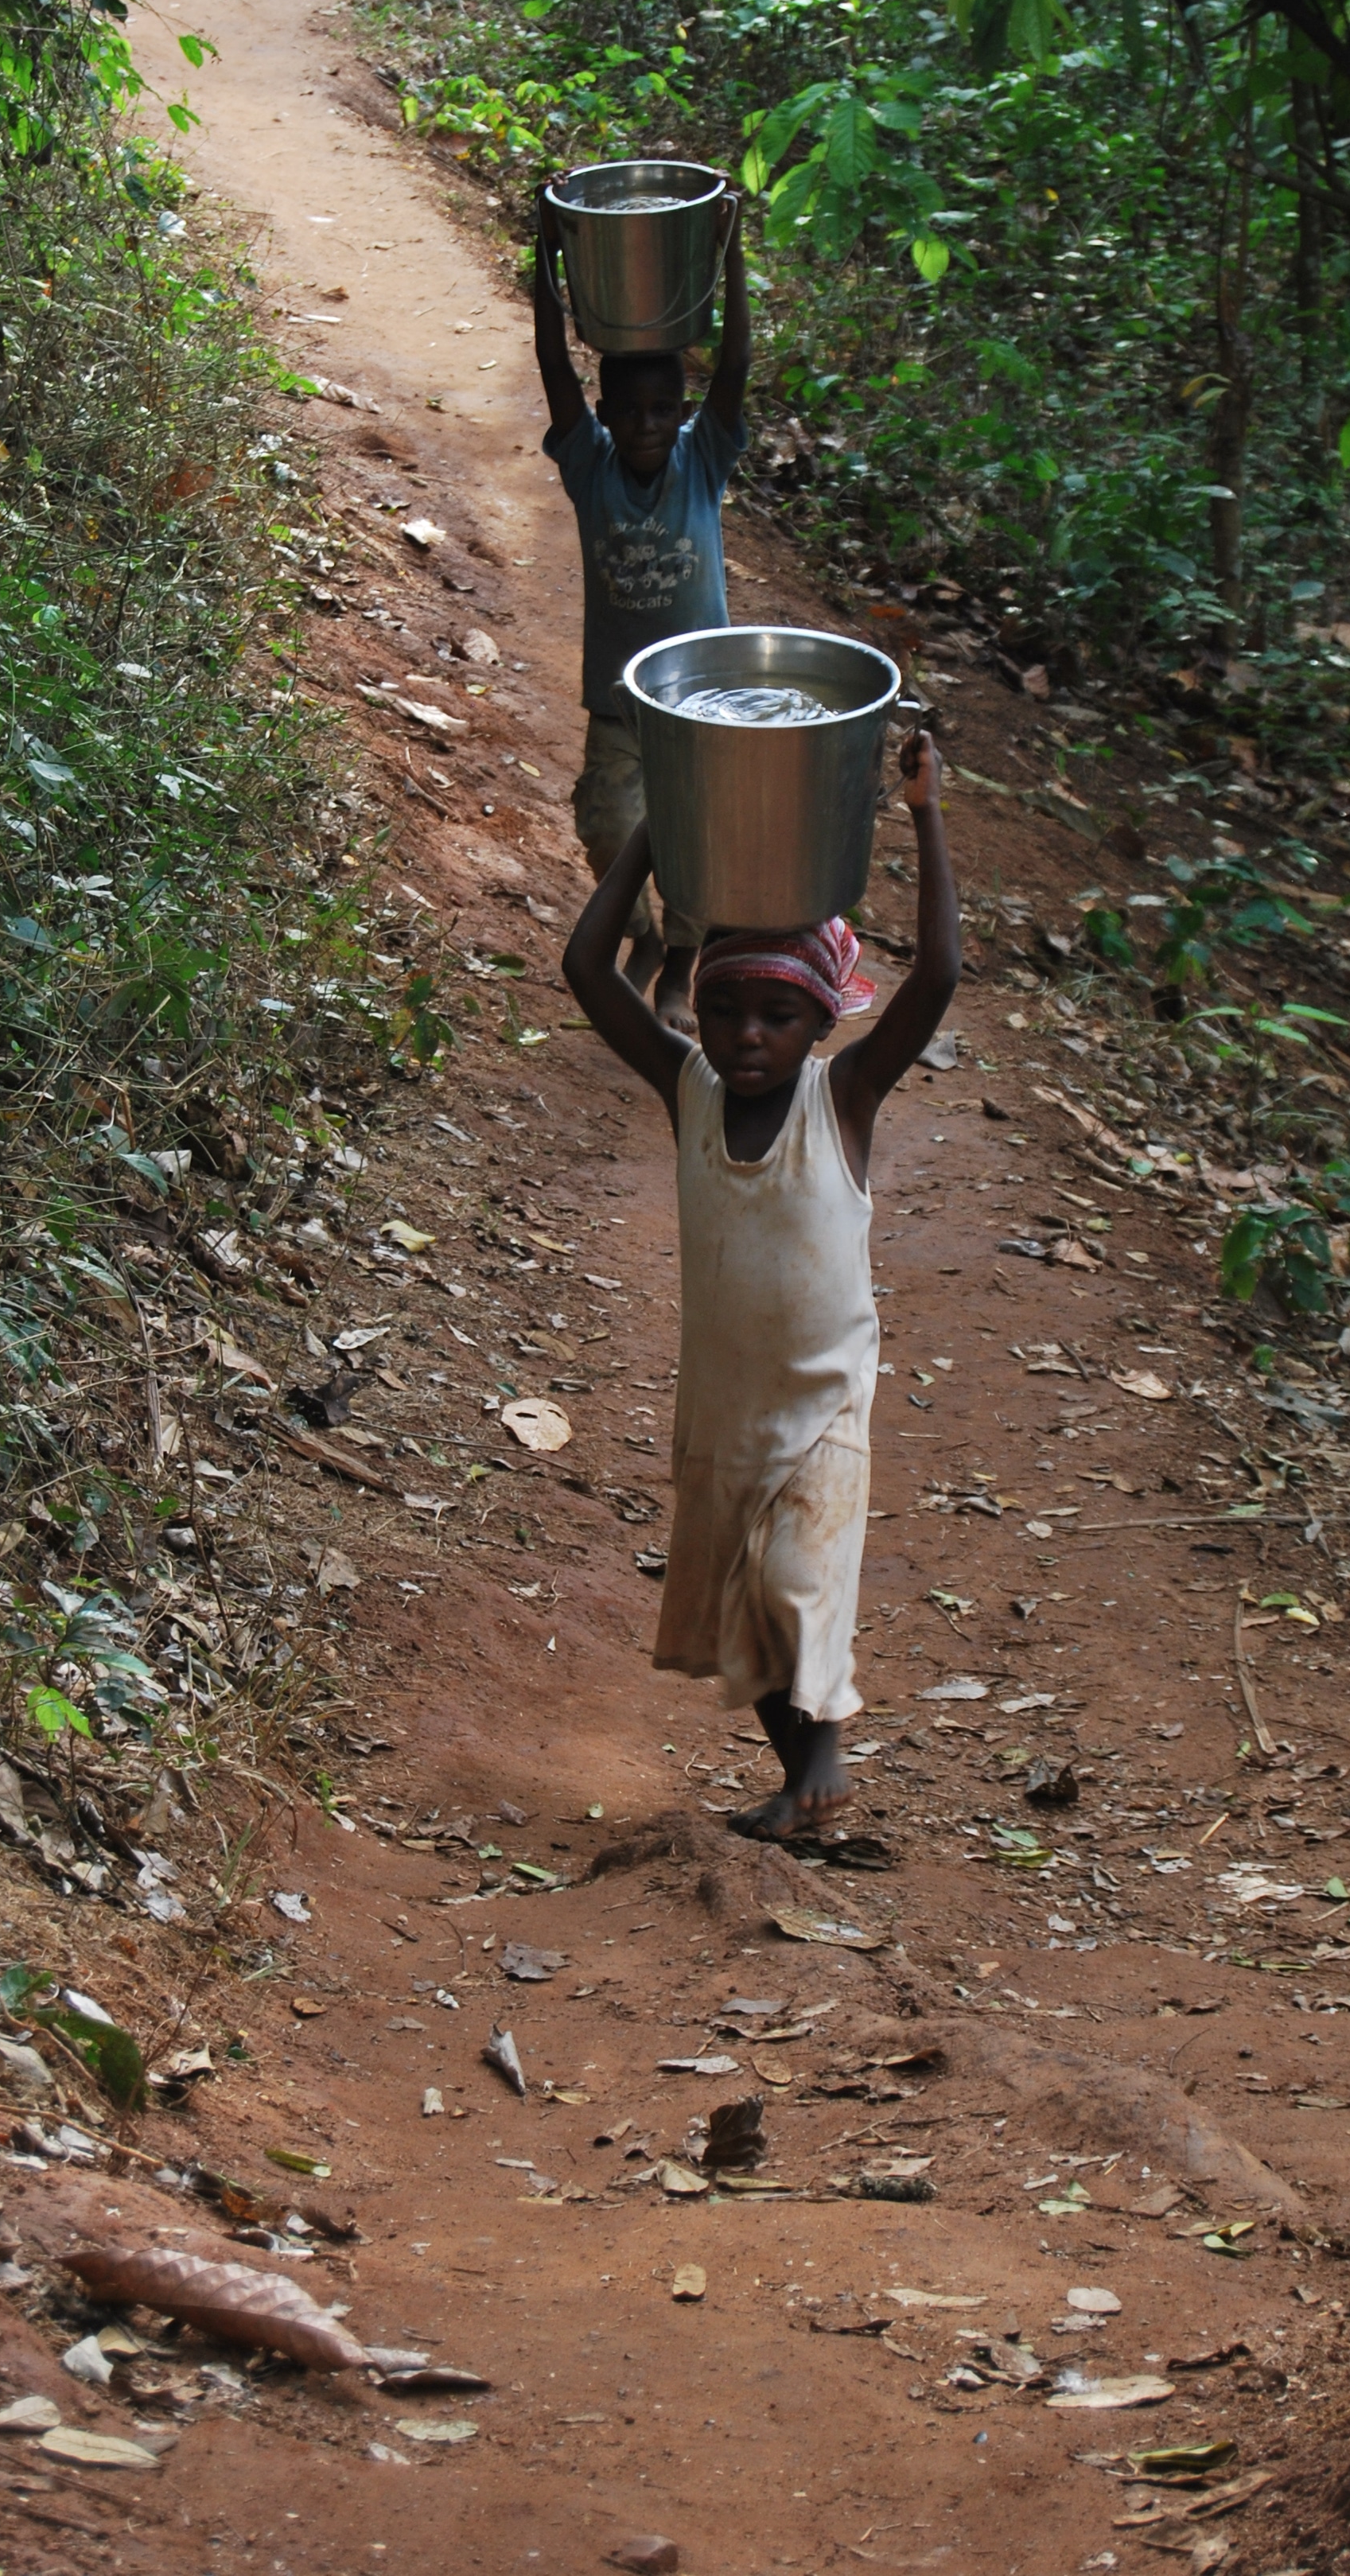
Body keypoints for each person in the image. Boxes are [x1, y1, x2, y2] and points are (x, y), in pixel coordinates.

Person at [561, 727, 960, 1837]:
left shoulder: (844, 1101)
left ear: (821, 1024)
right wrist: (663, 832)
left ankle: (822, 1759)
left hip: (823, 1395)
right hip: (723, 1404)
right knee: (744, 1608)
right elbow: (587, 971)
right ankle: (798, 1781)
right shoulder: (686, 1087)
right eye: (728, 1009)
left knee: (798, 1578)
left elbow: (938, 978)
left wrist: (926, 814)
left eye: (778, 1017)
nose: (746, 1037)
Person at [533, 177, 751, 1037]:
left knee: (694, 838)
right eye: (631, 411)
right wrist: (544, 254)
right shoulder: (590, 470)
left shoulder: (703, 463)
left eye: (665, 408)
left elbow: (734, 364)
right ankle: (644, 938)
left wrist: (731, 254)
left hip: (702, 700)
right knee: (606, 824)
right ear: (606, 416)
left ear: (685, 413)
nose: (649, 424)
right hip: (620, 704)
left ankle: (685, 963)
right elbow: (554, 362)